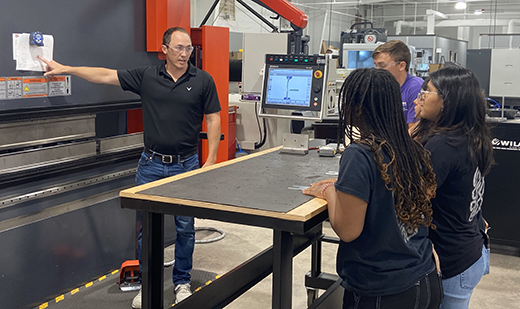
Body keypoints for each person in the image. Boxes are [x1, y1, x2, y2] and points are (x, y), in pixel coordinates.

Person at [38, 27, 222, 308]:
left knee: (185, 228)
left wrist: (210, 162)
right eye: (179, 48)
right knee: (145, 231)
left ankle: (182, 281)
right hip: (150, 164)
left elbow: (213, 119)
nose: (185, 54)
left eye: (188, 49)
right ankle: (147, 285)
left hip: (187, 165)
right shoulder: (146, 77)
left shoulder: (202, 80)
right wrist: (67, 69)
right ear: (165, 49)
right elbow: (105, 74)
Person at [303, 68, 442, 309]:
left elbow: (348, 230)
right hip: (425, 279)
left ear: (356, 108)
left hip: (382, 291)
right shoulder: (412, 148)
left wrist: (329, 192)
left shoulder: (360, 154)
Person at [411, 67, 493, 309]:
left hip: (451, 261)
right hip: (471, 248)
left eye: (428, 91)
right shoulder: (471, 136)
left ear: (448, 102)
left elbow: (414, 201)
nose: (421, 96)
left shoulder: (444, 144)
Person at [372, 40, 423, 128]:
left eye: (382, 66)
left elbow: (414, 133)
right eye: (376, 65)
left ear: (401, 66)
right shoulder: (380, 87)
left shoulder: (415, 87)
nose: (377, 70)